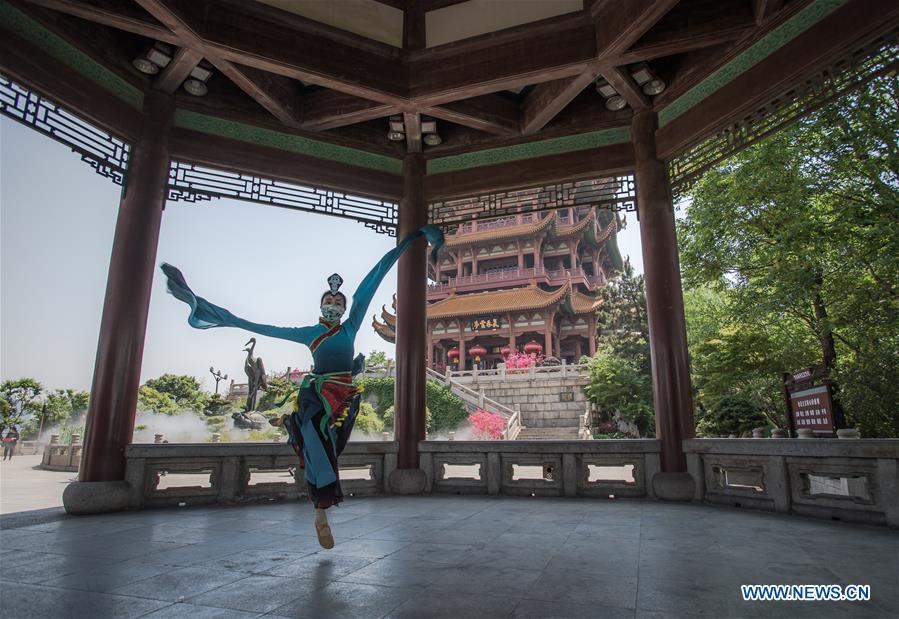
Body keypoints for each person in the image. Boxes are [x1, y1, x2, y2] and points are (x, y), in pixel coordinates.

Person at [161, 224, 442, 548]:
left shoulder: (350, 327)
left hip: (344, 397)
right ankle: (321, 507)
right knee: (315, 437)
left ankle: (294, 431)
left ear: (344, 307)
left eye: (339, 301)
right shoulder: (309, 332)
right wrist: (220, 313)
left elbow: (371, 282)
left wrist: (408, 241)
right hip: (316, 393)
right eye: (329, 300)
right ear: (321, 305)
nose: (335, 303)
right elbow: (262, 327)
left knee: (329, 449)